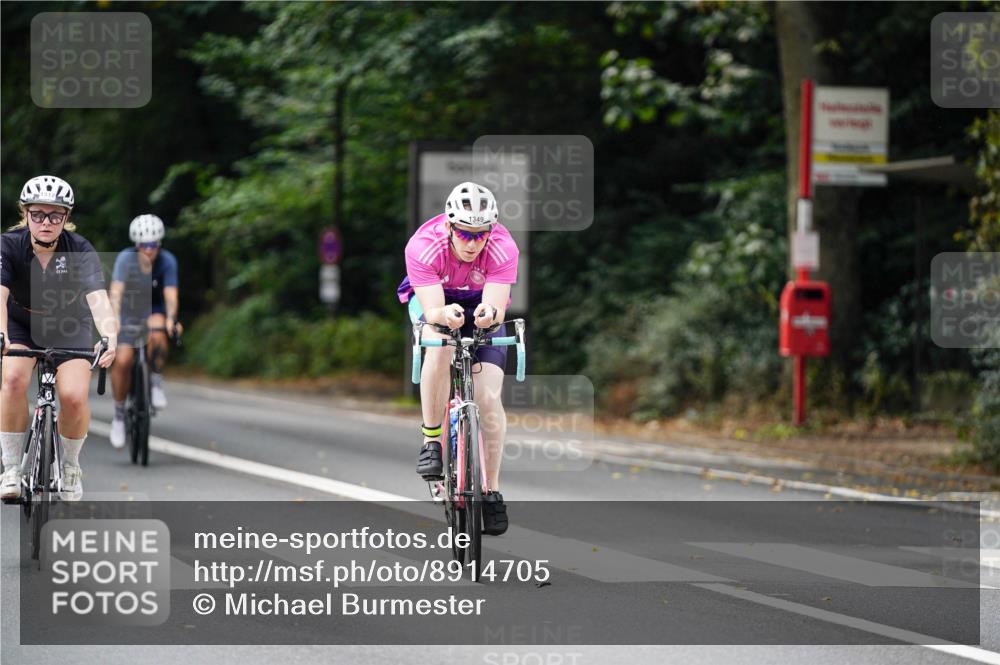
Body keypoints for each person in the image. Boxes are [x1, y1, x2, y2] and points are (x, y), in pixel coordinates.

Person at [397, 181, 519, 536]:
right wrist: (443, 315)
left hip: (480, 303)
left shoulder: (502, 247)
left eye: (480, 234)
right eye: (464, 234)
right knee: (441, 343)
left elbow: (496, 307)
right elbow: (433, 310)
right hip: (436, 300)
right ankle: (432, 440)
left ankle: (492, 491)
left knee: (489, 396)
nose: (472, 243)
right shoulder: (424, 245)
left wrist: (487, 317)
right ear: (449, 226)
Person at [0, 175, 118, 501]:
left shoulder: (80, 249)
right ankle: (10, 467)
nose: (46, 222)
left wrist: (109, 336)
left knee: (74, 396)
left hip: (69, 322)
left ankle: (69, 465)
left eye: (55, 215)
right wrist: (1, 333)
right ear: (25, 214)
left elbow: (98, 299)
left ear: (67, 218)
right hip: (20, 321)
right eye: (38, 214)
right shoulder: (8, 245)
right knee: (11, 380)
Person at [108, 214, 181, 449]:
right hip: (128, 312)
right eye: (143, 245)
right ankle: (119, 414)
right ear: (136, 245)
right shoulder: (125, 260)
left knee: (159, 332)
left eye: (153, 245)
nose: (148, 250)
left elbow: (170, 295)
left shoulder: (167, 261)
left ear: (159, 244)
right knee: (123, 360)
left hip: (153, 310)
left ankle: (156, 382)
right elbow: (116, 292)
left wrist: (171, 319)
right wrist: (115, 319)